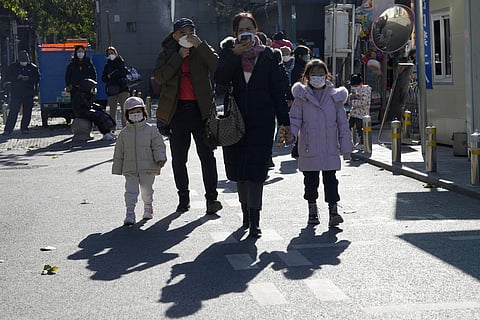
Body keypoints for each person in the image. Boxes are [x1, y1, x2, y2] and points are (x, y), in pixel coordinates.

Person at [214, 12, 291, 237]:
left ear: (256, 30)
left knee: (257, 172)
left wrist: (284, 123)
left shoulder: (269, 56)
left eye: (249, 28)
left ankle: (255, 220)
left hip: (262, 122)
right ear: (235, 33)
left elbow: (278, 92)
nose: (245, 33)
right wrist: (233, 56)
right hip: (235, 121)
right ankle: (245, 214)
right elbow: (219, 82)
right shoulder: (229, 54)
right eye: (240, 30)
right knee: (240, 172)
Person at [153, 17, 222, 215]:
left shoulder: (201, 49)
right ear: (174, 36)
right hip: (177, 112)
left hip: (202, 111)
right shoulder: (168, 52)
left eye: (190, 32)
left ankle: (212, 199)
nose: (187, 36)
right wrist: (178, 57)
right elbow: (159, 77)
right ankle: (183, 198)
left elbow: (217, 65)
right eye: (182, 33)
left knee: (207, 156)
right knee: (179, 159)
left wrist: (200, 45)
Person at [289, 59, 353, 227]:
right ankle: (312, 211)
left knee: (331, 180)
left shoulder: (335, 97)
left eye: (321, 74)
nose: (317, 77)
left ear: (327, 75)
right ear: (307, 77)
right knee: (310, 182)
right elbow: (295, 119)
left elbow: (342, 124)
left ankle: (333, 212)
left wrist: (346, 147)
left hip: (329, 147)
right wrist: (292, 135)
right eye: (314, 74)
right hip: (309, 146)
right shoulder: (301, 97)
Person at [112, 96, 167, 225]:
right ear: (127, 115)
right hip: (130, 169)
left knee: (147, 190)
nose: (135, 115)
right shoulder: (124, 133)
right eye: (132, 113)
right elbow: (119, 152)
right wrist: (117, 168)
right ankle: (129, 212)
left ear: (144, 112)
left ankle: (148, 207)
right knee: (130, 192)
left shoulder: (151, 130)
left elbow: (158, 145)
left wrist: (160, 158)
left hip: (148, 168)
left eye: (138, 112)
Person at [3, 50, 40, 135]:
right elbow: (8, 77)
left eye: (25, 61)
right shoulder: (13, 67)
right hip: (16, 93)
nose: (24, 63)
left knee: (27, 112)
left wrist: (29, 79)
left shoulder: (33, 67)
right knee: (13, 111)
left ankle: (24, 128)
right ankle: (8, 129)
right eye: (22, 61)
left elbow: (37, 79)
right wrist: (17, 77)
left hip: (28, 93)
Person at [101, 46, 130, 127]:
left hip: (123, 88)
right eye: (109, 53)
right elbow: (103, 78)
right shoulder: (107, 65)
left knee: (124, 109)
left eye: (112, 53)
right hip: (112, 90)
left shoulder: (121, 62)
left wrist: (112, 76)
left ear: (116, 53)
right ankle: (112, 128)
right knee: (112, 110)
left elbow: (123, 73)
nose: (111, 55)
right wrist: (108, 76)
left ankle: (125, 128)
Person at [348, 73, 372, 149]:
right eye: (353, 86)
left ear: (361, 84)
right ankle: (347, 141)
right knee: (348, 126)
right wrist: (351, 98)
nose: (354, 87)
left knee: (360, 128)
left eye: (355, 86)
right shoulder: (355, 91)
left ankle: (362, 143)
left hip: (362, 113)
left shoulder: (366, 90)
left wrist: (352, 102)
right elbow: (350, 99)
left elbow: (363, 102)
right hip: (354, 113)